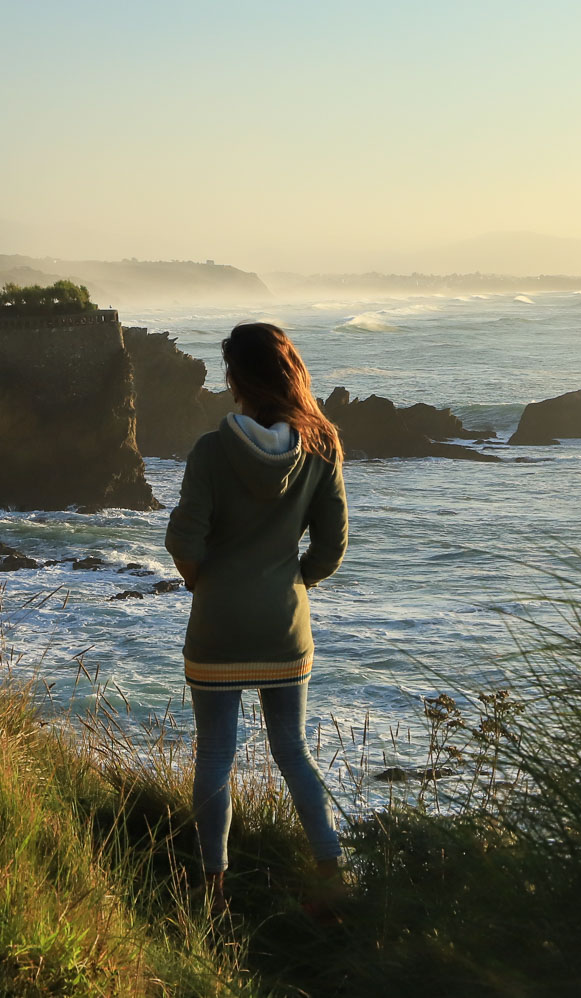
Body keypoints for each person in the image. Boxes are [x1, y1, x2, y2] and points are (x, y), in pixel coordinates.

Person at [164, 321, 349, 916]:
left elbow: (185, 540)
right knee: (292, 749)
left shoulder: (211, 451)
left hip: (218, 625)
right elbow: (331, 547)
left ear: (236, 380)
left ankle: (213, 888)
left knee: (215, 755)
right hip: (283, 625)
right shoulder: (322, 446)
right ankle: (330, 873)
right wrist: (292, 583)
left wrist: (204, 582)